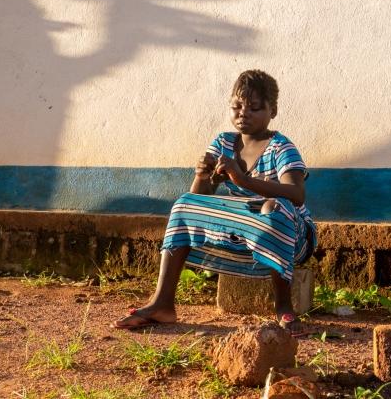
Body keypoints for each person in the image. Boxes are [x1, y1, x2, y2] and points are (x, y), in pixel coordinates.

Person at [109, 69, 316, 334]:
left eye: (254, 107)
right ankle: (162, 303)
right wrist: (202, 175)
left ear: (272, 111)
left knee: (274, 207)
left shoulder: (281, 147)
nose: (244, 113)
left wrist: (242, 181)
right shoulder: (223, 143)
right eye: (237, 106)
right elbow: (198, 199)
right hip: (241, 232)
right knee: (184, 203)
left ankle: (283, 307)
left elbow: (297, 194)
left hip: (293, 237)